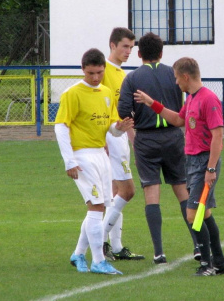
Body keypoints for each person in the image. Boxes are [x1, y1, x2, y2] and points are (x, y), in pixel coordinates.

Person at [133, 57, 224, 276]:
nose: (176, 83)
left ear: (186, 76)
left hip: (205, 162)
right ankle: (221, 263)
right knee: (203, 214)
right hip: (192, 162)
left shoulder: (208, 99)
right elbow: (178, 120)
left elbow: (218, 137)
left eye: (177, 78)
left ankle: (207, 264)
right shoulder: (192, 98)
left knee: (192, 214)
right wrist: (152, 103)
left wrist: (211, 169)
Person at [118, 32, 198, 264]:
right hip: (173, 137)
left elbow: (124, 112)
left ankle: (159, 252)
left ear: (139, 53)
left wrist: (133, 116)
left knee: (152, 194)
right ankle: (198, 245)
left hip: (146, 139)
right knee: (183, 191)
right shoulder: (172, 73)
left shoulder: (131, 78)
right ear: (161, 53)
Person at [54, 48, 134, 275]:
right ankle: (98, 261)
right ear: (83, 69)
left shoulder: (107, 93)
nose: (96, 77)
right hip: (82, 156)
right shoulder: (72, 93)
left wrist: (119, 129)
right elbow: (61, 127)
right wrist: (69, 161)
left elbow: (110, 127)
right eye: (91, 73)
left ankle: (79, 254)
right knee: (96, 207)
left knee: (98, 207)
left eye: (99, 72)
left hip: (101, 154)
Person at [100, 27, 145, 261]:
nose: (128, 51)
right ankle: (98, 240)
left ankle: (115, 247)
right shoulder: (104, 71)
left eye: (131, 47)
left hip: (120, 137)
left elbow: (125, 114)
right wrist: (102, 139)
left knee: (115, 194)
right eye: (124, 46)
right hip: (109, 138)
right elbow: (98, 107)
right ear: (112, 45)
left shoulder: (122, 74)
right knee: (127, 191)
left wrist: (133, 140)